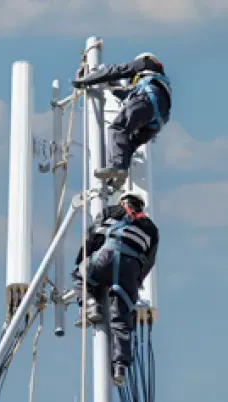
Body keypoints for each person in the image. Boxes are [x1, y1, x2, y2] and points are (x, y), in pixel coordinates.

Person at [71, 192, 159, 386]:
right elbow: (150, 260)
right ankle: (120, 365)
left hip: (107, 255)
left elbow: (92, 237)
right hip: (130, 268)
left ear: (123, 202)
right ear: (141, 207)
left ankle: (91, 306)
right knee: (121, 317)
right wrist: (135, 281)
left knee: (79, 275)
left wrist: (81, 262)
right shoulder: (151, 228)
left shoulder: (111, 211)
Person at [72, 52, 172, 189]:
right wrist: (111, 83)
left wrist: (86, 80)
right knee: (127, 144)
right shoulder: (159, 79)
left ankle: (117, 167)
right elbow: (127, 97)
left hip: (147, 101)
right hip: (157, 118)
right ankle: (120, 173)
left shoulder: (144, 63)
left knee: (118, 128)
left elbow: (119, 70)